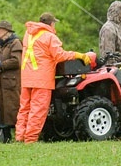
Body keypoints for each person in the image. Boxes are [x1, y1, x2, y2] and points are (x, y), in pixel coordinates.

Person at [15, 12, 92, 144]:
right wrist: (78, 55)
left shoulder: (29, 34)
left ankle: (19, 137)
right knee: (37, 110)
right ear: (51, 23)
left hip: (27, 78)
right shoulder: (50, 36)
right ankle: (30, 140)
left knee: (24, 109)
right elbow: (60, 56)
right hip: (42, 79)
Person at [98, 1, 121, 65]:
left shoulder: (118, 27)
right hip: (115, 71)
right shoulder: (108, 28)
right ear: (118, 12)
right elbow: (108, 55)